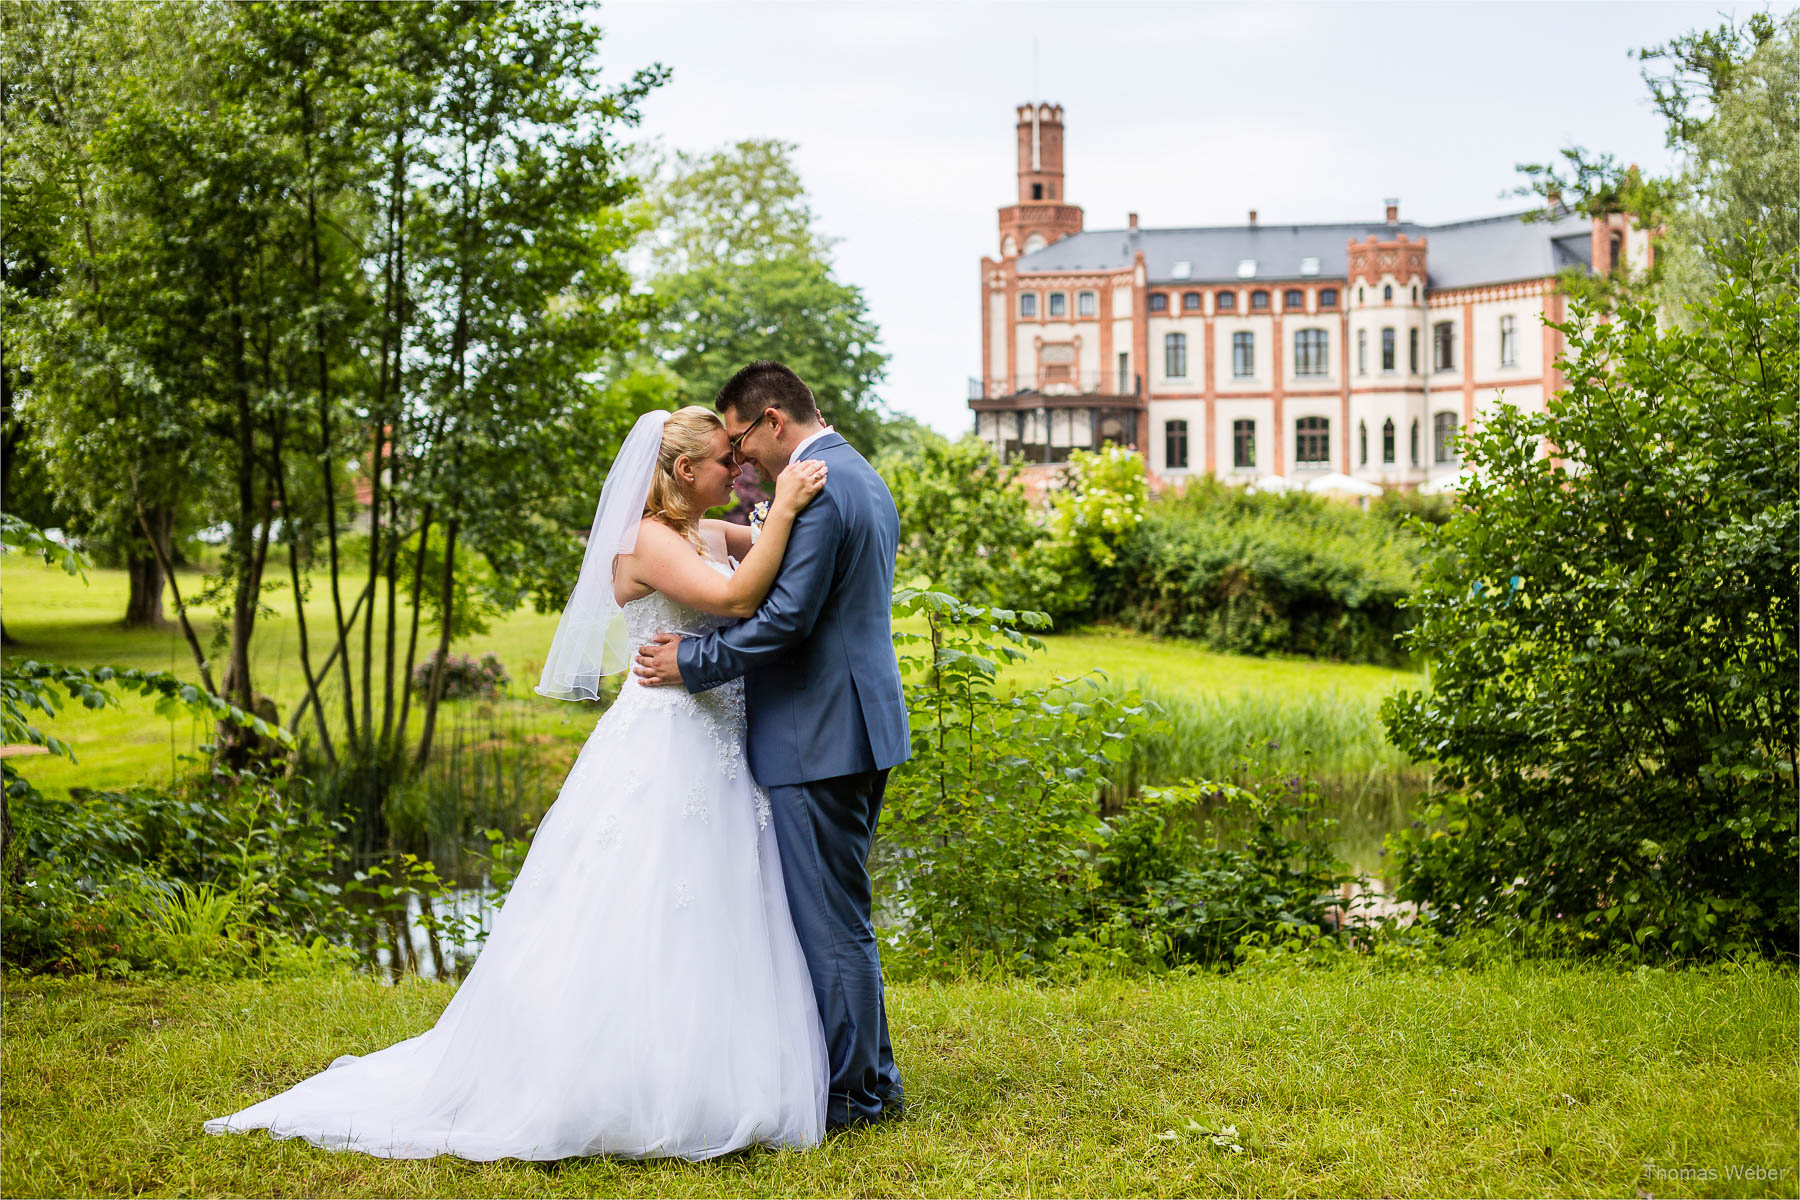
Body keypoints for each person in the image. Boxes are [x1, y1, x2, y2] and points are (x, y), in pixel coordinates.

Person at [204, 405, 834, 1161]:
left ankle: (724, 1072)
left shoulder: (704, 532)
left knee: (722, 893)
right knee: (643, 894)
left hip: (721, 740)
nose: (739, 466)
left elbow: (757, 551)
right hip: (669, 738)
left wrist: (780, 517)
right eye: (726, 458)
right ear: (684, 473)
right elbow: (735, 599)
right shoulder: (645, 542)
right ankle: (615, 1080)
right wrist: (789, 504)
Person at [633, 360, 910, 1129]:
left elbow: (782, 619)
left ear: (773, 422)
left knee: (830, 919)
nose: (741, 458)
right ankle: (872, 1077)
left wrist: (692, 662)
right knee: (841, 911)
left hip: (817, 733)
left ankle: (858, 1094)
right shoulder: (858, 474)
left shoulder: (816, 490)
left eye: (740, 439)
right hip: (855, 723)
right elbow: (765, 564)